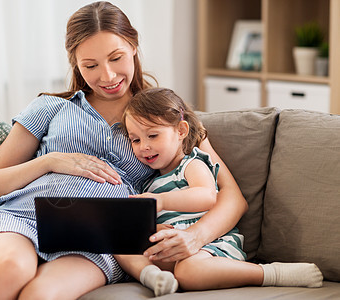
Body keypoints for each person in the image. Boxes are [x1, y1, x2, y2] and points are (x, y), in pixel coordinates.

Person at [0, 2, 249, 299]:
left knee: (42, 294)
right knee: (13, 268)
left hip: (103, 238)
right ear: (75, 62)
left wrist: (195, 236)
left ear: (134, 46)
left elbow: (232, 198)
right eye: (91, 65)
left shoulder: (165, 117)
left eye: (116, 58)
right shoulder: (50, 107)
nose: (108, 76)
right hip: (21, 218)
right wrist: (50, 162)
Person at [115, 87, 324, 296]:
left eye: (152, 135)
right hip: (175, 249)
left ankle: (270, 273)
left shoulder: (191, 165)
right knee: (120, 242)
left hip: (212, 245)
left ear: (181, 131)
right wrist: (154, 227)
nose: (144, 146)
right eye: (136, 140)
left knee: (189, 271)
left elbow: (207, 197)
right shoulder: (150, 183)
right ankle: (152, 276)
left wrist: (160, 201)